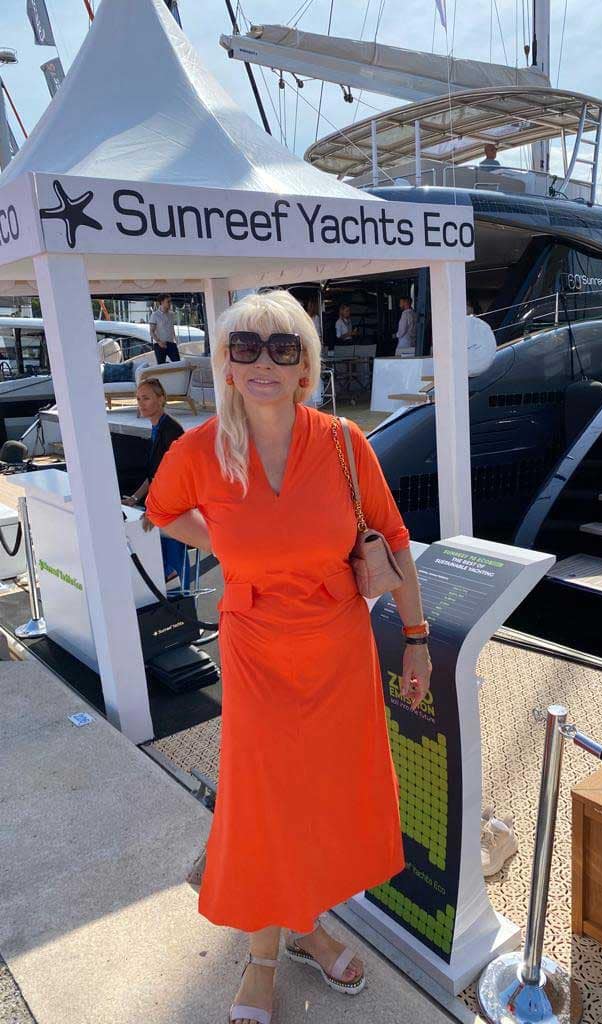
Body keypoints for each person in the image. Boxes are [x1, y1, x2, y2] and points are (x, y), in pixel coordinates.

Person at [144, 290, 432, 1024]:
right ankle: (265, 955)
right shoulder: (199, 451)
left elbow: (394, 536)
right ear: (226, 364)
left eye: (283, 347)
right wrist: (225, 542)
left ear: (306, 365)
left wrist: (417, 639)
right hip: (255, 649)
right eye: (245, 347)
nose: (263, 362)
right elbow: (161, 511)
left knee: (322, 800)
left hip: (337, 648)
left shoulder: (343, 442)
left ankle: (305, 925)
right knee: (264, 806)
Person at [122, 378, 188, 585]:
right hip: (162, 504)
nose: (141, 403)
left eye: (146, 398)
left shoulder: (171, 431)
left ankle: (181, 593)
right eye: (138, 399)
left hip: (174, 507)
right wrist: (134, 498)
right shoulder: (158, 427)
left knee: (174, 561)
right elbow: (155, 474)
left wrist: (153, 508)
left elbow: (172, 476)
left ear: (161, 399)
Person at [149, 294, 181, 364]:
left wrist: (176, 340)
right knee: (161, 366)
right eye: (168, 302)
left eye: (170, 302)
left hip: (171, 343)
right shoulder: (155, 315)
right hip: (159, 344)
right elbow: (151, 331)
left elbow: (171, 328)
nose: (170, 304)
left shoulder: (171, 314)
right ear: (162, 302)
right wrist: (159, 342)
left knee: (178, 363)